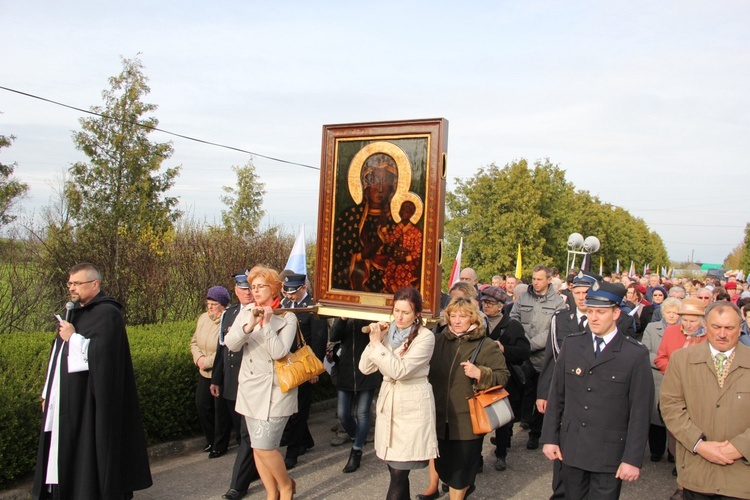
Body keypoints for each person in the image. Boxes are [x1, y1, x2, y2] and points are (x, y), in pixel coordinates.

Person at [32, 263, 152, 500]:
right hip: (68, 398)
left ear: (94, 284)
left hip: (90, 400)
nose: (72, 288)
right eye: (70, 283)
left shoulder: (108, 314)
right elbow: (57, 357)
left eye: (77, 283)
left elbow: (103, 357)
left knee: (90, 448)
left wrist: (73, 338)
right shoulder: (75, 312)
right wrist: (49, 393)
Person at [540, 281, 653, 500]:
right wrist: (550, 438)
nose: (593, 317)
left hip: (609, 453)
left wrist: (632, 458)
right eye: (590, 311)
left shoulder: (634, 354)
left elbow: (640, 412)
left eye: (601, 312)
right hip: (572, 448)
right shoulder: (572, 345)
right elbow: (557, 396)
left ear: (616, 313)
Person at [660, 301, 750, 499]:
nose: (722, 334)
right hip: (696, 473)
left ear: (741, 328)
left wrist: (740, 447)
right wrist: (699, 444)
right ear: (706, 326)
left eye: (729, 328)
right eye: (716, 327)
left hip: (742, 477)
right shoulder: (681, 360)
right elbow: (670, 407)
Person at [224, 266, 298, 500]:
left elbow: (279, 352)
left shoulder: (287, 316)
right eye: (252, 286)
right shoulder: (246, 312)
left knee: (266, 446)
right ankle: (270, 492)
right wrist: (249, 325)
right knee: (257, 447)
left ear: (273, 288)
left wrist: (266, 325)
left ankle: (286, 486)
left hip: (276, 391)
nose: (255, 291)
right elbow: (231, 344)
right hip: (250, 389)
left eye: (260, 286)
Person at [359, 286, 438, 500]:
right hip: (389, 403)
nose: (400, 317)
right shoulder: (386, 334)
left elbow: (399, 371)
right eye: (396, 311)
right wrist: (375, 341)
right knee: (394, 469)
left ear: (417, 314)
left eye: (406, 312)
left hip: (412, 404)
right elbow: (365, 368)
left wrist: (377, 344)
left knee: (398, 473)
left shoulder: (425, 337)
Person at [429, 297, 510, 499]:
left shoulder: (485, 345)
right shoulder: (438, 341)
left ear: (472, 318)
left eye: (462, 316)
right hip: (438, 418)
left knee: (460, 471)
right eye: (453, 316)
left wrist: (480, 373)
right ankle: (464, 486)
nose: (457, 320)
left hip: (468, 421)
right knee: (445, 469)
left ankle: (462, 488)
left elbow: (503, 376)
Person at [536, 269, 598, 499]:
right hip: (566, 392)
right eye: (578, 292)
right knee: (562, 441)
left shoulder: (603, 320)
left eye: (586, 292)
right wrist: (543, 393)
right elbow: (552, 358)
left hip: (594, 394)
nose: (582, 297)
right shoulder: (560, 319)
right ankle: (561, 491)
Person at [211, 271, 260, 500]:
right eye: (243, 289)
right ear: (236, 291)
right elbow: (223, 350)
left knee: (248, 434)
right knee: (244, 435)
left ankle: (239, 484)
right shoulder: (229, 314)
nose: (248, 292)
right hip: (232, 380)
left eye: (251, 288)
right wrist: (216, 379)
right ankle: (256, 467)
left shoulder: (264, 313)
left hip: (252, 380)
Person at [510, 264, 566, 449]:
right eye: (533, 278)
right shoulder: (524, 296)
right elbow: (514, 317)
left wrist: (530, 345)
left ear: (549, 280)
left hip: (543, 358)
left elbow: (554, 329)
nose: (535, 282)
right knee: (520, 393)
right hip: (522, 357)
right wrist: (521, 341)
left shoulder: (558, 302)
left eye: (539, 279)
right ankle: (516, 427)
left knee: (541, 395)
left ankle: (536, 433)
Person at [279, 273, 327, 470]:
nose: (290, 297)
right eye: (287, 292)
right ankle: (305, 440)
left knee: (299, 410)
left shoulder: (312, 308)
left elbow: (319, 338)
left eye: (293, 293)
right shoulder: (283, 305)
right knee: (290, 408)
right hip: (286, 362)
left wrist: (315, 369)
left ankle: (293, 452)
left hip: (304, 364)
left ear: (302, 288)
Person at [332, 153, 398, 292]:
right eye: (375, 181)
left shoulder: (395, 220)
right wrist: (360, 256)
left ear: (393, 187)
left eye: (385, 182)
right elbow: (339, 258)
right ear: (365, 184)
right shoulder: (349, 217)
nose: (380, 189)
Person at [481, 286, 529, 472]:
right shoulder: (478, 323)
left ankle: (501, 453)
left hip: (505, 380)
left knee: (502, 420)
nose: (486, 306)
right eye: (484, 302)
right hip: (482, 378)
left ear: (501, 306)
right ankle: (476, 458)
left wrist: (504, 349)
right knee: (478, 419)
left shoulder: (513, 326)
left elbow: (524, 351)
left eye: (490, 303)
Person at [329, 316, 383, 473]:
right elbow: (333, 336)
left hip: (367, 371)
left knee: (362, 414)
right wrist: (342, 318)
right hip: (345, 371)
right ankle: (356, 438)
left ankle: (357, 450)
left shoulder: (370, 316)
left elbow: (376, 338)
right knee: (343, 414)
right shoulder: (345, 317)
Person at [641, 297, 682, 463]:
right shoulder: (652, 328)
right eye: (668, 312)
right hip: (657, 376)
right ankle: (656, 451)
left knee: (674, 415)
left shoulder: (684, 330)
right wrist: (664, 361)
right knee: (655, 418)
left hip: (677, 378)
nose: (671, 315)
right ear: (662, 313)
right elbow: (645, 350)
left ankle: (674, 454)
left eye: (675, 312)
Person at [191, 285, 230, 456]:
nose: (210, 307)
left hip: (218, 372)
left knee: (220, 410)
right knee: (202, 404)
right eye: (208, 303)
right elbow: (194, 341)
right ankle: (210, 439)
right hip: (204, 371)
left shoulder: (227, 320)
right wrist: (198, 358)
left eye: (214, 304)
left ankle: (220, 444)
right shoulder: (202, 318)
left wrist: (207, 361)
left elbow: (226, 348)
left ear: (222, 304)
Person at [381, 200, 423, 292]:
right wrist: (384, 227)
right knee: (389, 271)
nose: (403, 213)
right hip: (396, 259)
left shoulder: (416, 232)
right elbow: (390, 242)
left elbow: (418, 252)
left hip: (409, 263)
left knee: (401, 273)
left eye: (406, 211)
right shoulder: (398, 228)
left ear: (411, 214)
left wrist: (405, 259)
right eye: (402, 210)